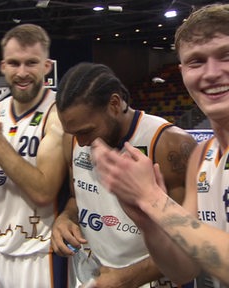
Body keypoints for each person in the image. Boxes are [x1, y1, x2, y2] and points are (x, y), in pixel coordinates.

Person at [89, 4, 229, 287]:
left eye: (226, 56)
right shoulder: (203, 156)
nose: (211, 73)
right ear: (182, 71)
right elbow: (183, 269)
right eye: (196, 61)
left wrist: (154, 200)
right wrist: (149, 222)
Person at [50, 62, 198, 287]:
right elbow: (75, 198)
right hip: (100, 277)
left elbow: (191, 243)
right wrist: (65, 218)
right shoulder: (72, 139)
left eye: (87, 131)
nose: (82, 142)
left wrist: (128, 278)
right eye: (74, 133)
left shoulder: (169, 145)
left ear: (114, 104)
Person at [0, 23, 67, 287]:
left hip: (39, 255)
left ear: (47, 66)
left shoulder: (57, 115)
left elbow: (43, 191)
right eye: (14, 63)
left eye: (31, 63)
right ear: (3, 66)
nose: (22, 72)